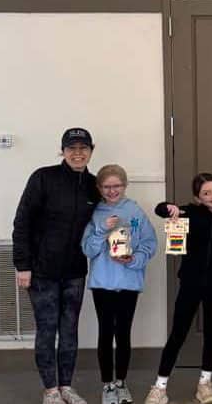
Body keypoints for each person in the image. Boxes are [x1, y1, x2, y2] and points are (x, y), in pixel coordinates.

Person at [13, 127, 100, 404]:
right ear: (62, 151)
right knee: (47, 330)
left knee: (70, 332)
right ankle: (50, 390)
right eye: (71, 148)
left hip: (75, 272)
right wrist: (22, 265)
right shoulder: (43, 178)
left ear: (91, 150)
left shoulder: (94, 185)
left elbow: (108, 218)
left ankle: (66, 386)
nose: (77, 153)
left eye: (83, 148)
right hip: (41, 272)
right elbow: (22, 222)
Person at [145, 173, 212, 404]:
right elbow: (160, 209)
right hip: (190, 286)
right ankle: (160, 386)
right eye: (206, 193)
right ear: (198, 198)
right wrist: (170, 208)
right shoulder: (189, 214)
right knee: (178, 333)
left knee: (211, 334)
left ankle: (205, 384)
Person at [81, 164, 158, 404]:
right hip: (103, 283)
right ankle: (107, 385)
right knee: (106, 333)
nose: (112, 191)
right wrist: (102, 231)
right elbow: (87, 249)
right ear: (99, 188)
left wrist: (134, 259)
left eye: (117, 186)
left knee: (123, 333)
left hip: (128, 282)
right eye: (107, 186)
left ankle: (121, 383)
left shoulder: (135, 211)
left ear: (125, 186)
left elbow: (150, 243)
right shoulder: (94, 213)